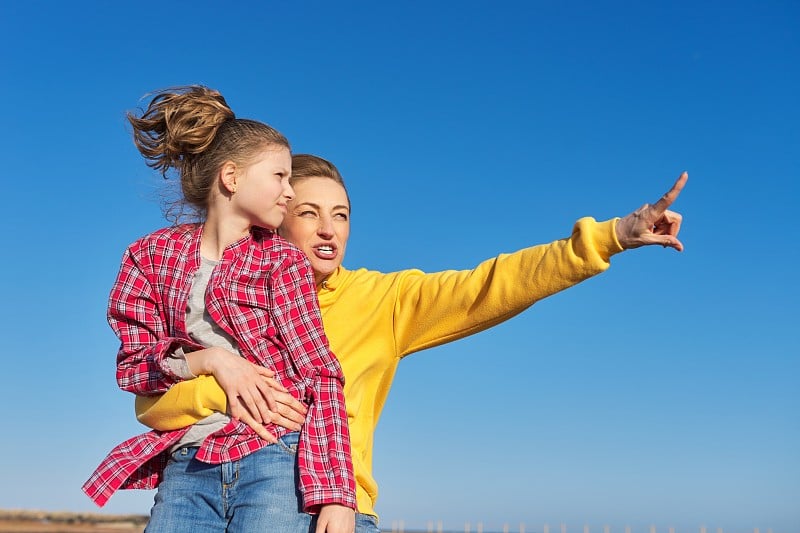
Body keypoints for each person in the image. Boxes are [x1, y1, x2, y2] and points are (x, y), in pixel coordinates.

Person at [136, 154, 687, 532]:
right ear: (276, 219)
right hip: (207, 482)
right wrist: (219, 390)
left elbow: (491, 284)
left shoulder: (385, 299)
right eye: (309, 213)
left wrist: (612, 236)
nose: (329, 229)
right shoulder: (227, 296)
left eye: (341, 215)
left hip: (329, 509)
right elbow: (151, 400)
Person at [82, 89, 356, 533]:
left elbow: (320, 374)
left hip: (273, 454)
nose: (289, 191)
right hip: (188, 463)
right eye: (280, 176)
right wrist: (212, 361)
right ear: (231, 177)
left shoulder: (282, 261)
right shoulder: (148, 256)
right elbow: (133, 369)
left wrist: (337, 497)